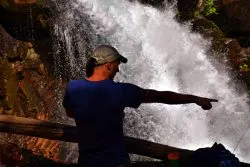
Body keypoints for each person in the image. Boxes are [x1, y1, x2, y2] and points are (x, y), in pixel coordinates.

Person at [62, 45, 218, 167]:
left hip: (86, 163)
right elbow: (160, 96)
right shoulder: (119, 91)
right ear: (108, 66)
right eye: (117, 65)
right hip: (116, 163)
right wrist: (195, 99)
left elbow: (71, 112)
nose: (118, 69)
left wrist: (98, 114)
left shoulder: (73, 87)